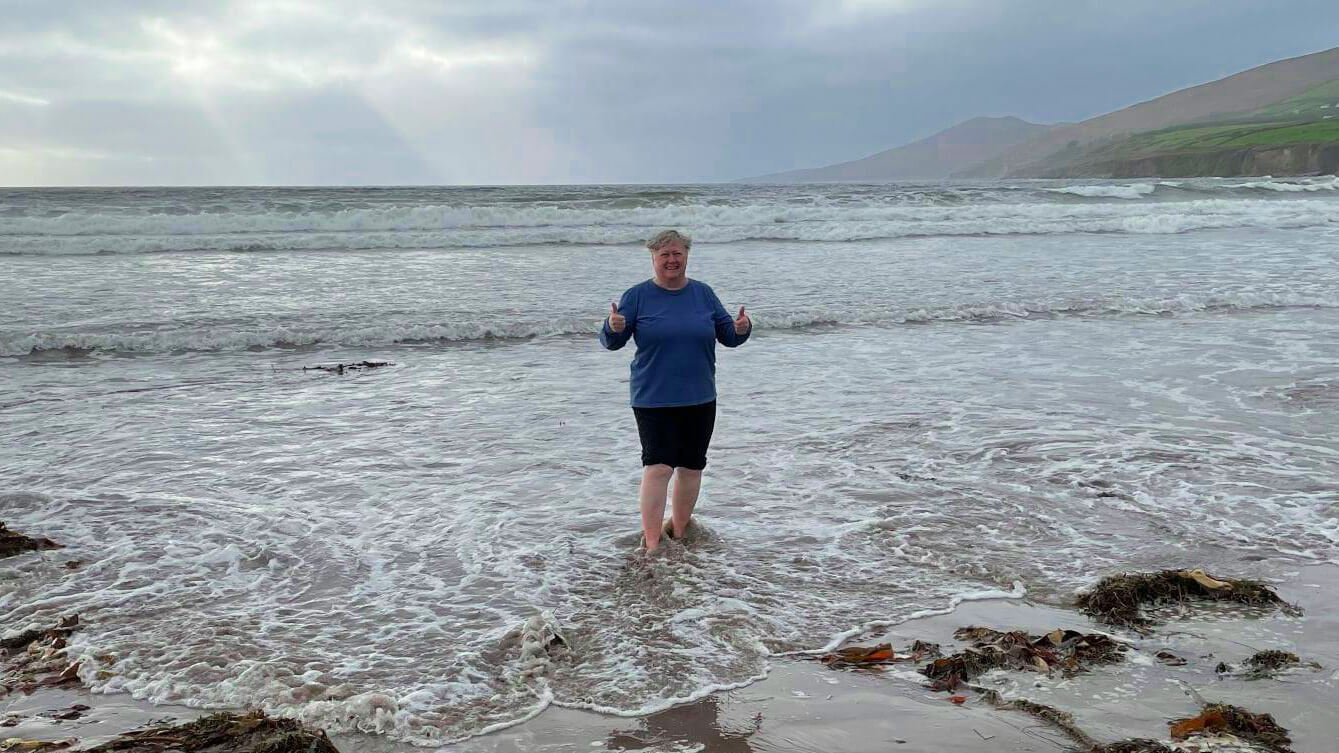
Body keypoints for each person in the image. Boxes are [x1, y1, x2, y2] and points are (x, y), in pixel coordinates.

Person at [599, 229, 751, 553]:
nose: (672, 260)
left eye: (677, 253)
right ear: (653, 258)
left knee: (692, 467)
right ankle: (653, 544)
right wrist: (612, 327)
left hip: (700, 395)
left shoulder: (703, 294)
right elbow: (613, 342)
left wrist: (742, 328)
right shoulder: (637, 296)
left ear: (687, 256)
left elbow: (729, 336)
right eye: (664, 254)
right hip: (653, 397)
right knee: (659, 467)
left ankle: (680, 533)